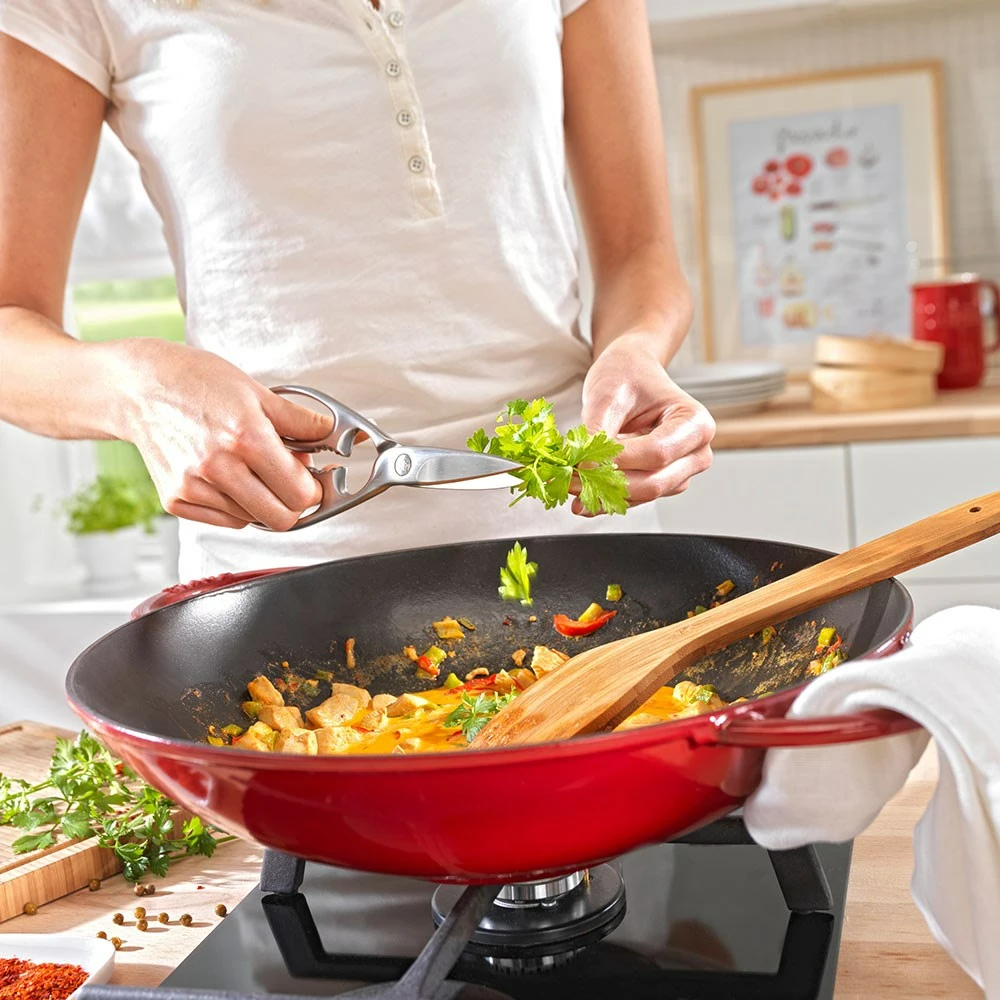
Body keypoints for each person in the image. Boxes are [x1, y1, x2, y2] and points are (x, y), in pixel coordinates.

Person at [0, 0, 714, 581]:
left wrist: (636, 350)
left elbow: (641, 254)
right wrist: (138, 389)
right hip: (283, 578)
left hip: (578, 547)